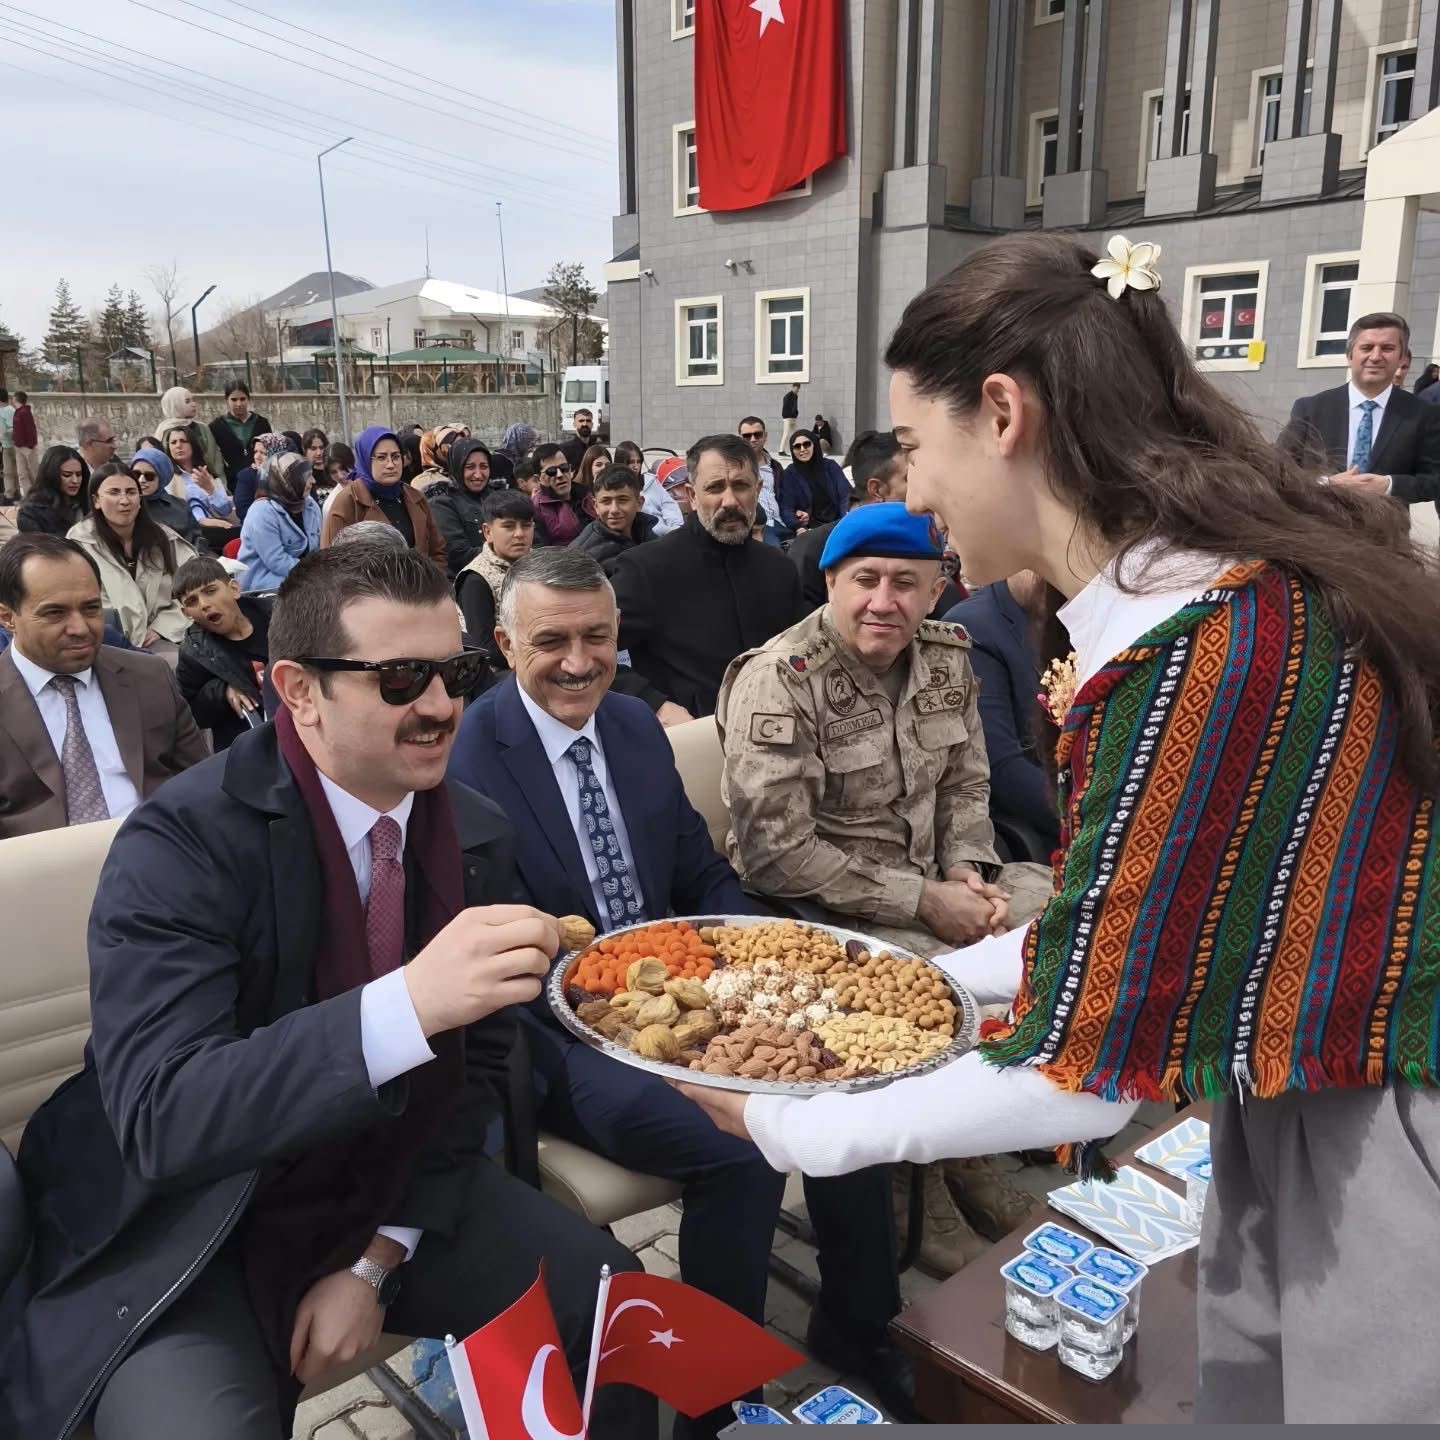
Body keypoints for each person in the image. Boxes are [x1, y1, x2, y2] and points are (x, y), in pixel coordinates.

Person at [683, 230, 1440, 1426]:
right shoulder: (1234, 588)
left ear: (1001, 414)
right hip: (1312, 1086)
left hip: (1379, 1127)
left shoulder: (1192, 654)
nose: (912, 497)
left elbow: (1076, 1076)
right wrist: (896, 976)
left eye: (918, 451)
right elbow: (1126, 927)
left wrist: (793, 1119)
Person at [0, 543, 654, 1440]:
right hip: (197, 1226)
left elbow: (477, 1079)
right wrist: (407, 1006)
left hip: (388, 1184)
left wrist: (379, 1261)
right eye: (398, 678)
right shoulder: (180, 845)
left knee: (622, 1310)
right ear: (296, 691)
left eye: (455, 670)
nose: (438, 706)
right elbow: (163, 1116)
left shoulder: (474, 835)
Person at [448, 550, 913, 1430]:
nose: (580, 661)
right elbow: (494, 955)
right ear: (504, 644)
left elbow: (698, 870)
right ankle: (719, 1400)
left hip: (687, 992)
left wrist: (746, 967)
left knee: (842, 1079)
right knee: (741, 1150)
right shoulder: (467, 757)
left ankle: (859, 1326)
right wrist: (633, 1018)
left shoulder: (629, 725)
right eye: (552, 641)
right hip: (560, 1032)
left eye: (598, 637)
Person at [716, 502, 1051, 1271]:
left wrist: (971, 868)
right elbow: (774, 853)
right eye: (865, 580)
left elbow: (970, 781)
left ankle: (968, 1150)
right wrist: (925, 900)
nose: (884, 601)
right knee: (924, 991)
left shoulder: (945, 654)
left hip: (943, 882)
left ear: (937, 590)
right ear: (831, 582)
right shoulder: (782, 679)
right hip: (826, 907)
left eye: (908, 582)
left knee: (1057, 929)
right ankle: (911, 1190)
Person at [0, 533, 207, 838]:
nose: (80, 628)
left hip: (160, 857)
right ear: (7, 617)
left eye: (90, 608)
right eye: (54, 613)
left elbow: (201, 782)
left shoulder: (150, 677)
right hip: (38, 876)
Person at [611, 434, 804, 720]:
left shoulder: (780, 569)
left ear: (758, 489)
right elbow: (584, 650)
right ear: (692, 496)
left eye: (741, 485)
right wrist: (653, 702)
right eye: (715, 487)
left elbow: (799, 654)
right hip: (690, 746)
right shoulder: (647, 569)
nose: (730, 501)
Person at [1279, 310, 1440, 519]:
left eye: (1387, 348)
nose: (1375, 356)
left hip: (1386, 540)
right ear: (1349, 355)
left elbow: (1435, 480)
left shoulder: (1423, 414)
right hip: (1316, 534)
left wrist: (1389, 485)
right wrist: (1328, 483)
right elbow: (1278, 470)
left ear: (1401, 357)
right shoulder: (1311, 409)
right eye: (1366, 348)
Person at [944, 572, 1059, 863]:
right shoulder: (971, 626)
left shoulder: (1085, 615)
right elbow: (1004, 770)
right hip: (1048, 824)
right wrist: (1092, 814)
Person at [788, 430, 960, 617]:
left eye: (904, 582)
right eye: (865, 580)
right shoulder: (811, 549)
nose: (881, 605)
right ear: (876, 489)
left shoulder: (929, 545)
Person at [68, 462, 198, 660]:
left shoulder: (163, 539)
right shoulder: (79, 544)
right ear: (96, 500)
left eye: (131, 492)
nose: (124, 500)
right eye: (113, 492)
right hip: (102, 644)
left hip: (163, 638)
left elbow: (195, 587)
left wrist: (163, 627)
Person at [174, 554, 273, 748]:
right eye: (192, 602)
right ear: (186, 614)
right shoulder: (194, 652)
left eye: (210, 591)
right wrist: (221, 691)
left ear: (234, 589)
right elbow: (192, 713)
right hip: (249, 740)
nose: (203, 604)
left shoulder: (278, 616)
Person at [322, 426, 448, 571]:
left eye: (395, 456)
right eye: (381, 457)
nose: (390, 465)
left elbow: (437, 551)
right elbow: (331, 564)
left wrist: (432, 586)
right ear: (365, 460)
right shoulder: (348, 502)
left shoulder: (415, 497)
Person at [455, 489, 536, 663]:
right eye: (509, 526)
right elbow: (484, 646)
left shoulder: (541, 564)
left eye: (526, 525)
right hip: (504, 668)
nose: (519, 534)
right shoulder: (476, 579)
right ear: (487, 532)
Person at [237, 453, 323, 591]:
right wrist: (316, 575)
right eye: (307, 476)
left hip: (303, 577)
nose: (313, 481)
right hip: (264, 584)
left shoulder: (309, 505)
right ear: (287, 480)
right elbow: (277, 561)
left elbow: (319, 547)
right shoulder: (261, 512)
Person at [163, 424, 240, 552]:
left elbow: (225, 510)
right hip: (188, 536)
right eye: (173, 442)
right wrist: (203, 521)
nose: (178, 446)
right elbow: (173, 514)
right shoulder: (167, 477)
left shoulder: (206, 473)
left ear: (193, 444)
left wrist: (210, 489)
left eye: (183, 441)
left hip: (220, 530)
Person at [569, 463, 657, 572]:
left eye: (622, 500)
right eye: (606, 501)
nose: (614, 510)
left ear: (639, 503)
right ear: (595, 506)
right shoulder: (583, 557)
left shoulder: (645, 530)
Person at [428, 437, 494, 576]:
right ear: (457, 467)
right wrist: (507, 551)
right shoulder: (442, 503)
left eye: (484, 466)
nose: (478, 474)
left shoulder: (500, 497)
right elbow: (458, 554)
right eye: (470, 467)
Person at [130, 445, 205, 549]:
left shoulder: (180, 506)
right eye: (136, 474)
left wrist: (197, 558)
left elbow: (198, 538)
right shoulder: (126, 507)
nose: (141, 480)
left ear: (162, 477)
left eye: (149, 476)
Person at [779, 430, 849, 534]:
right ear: (792, 450)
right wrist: (797, 526)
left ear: (814, 445)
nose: (802, 449)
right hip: (811, 527)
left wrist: (846, 521)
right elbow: (786, 506)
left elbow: (846, 494)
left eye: (807, 444)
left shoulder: (830, 467)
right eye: (797, 446)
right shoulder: (790, 474)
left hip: (838, 523)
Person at [529, 442, 597, 547]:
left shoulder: (587, 495)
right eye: (551, 471)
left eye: (564, 468)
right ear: (538, 479)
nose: (560, 475)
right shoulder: (535, 508)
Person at [16, 445, 89, 537]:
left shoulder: (87, 503)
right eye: (67, 475)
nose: (75, 480)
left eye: (78, 475)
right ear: (51, 475)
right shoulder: (31, 512)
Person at [159, 386, 227, 480]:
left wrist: (217, 483)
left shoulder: (202, 428)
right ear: (175, 404)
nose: (193, 404)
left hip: (205, 481)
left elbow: (215, 459)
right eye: (187, 401)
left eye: (193, 400)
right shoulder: (163, 431)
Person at [209, 382, 273, 480]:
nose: (238, 404)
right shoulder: (216, 427)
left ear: (248, 399)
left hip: (260, 477)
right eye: (234, 400)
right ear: (227, 400)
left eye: (242, 399)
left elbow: (270, 451)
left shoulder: (261, 423)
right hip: (231, 480)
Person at [738, 416, 787, 544]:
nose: (753, 439)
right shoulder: (734, 468)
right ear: (740, 439)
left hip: (780, 523)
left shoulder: (775, 466)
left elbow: (785, 496)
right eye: (747, 436)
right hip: (755, 526)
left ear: (765, 436)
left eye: (757, 435)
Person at [234, 432, 297, 522]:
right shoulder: (247, 476)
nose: (257, 457)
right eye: (255, 452)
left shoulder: (292, 476)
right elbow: (243, 511)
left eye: (263, 453)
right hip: (257, 527)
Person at [491, 420, 536, 486]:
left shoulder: (520, 461)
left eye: (533, 443)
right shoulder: (496, 461)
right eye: (528, 442)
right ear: (519, 440)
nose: (531, 448)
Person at [11, 390, 39, 496]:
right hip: (18, 447)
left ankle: (38, 494)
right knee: (22, 473)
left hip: (27, 447)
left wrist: (31, 445)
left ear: (16, 399)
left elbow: (30, 429)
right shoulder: (17, 412)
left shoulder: (25, 412)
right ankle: (28, 495)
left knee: (33, 472)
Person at [0, 386, 17, 502]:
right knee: (8, 471)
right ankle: (10, 494)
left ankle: (11, 494)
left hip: (14, 446)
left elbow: (14, 428)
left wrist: (5, 433)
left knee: (13, 471)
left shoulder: (10, 411)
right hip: (5, 446)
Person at [779, 381, 801, 454]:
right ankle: (781, 451)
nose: (797, 389)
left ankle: (797, 448)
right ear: (792, 387)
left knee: (797, 433)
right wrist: (788, 415)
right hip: (788, 418)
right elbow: (785, 407)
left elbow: (795, 407)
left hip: (793, 418)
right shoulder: (788, 396)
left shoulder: (796, 396)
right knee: (786, 433)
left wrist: (796, 414)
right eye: (795, 388)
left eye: (798, 388)